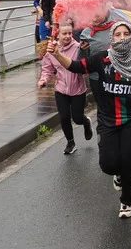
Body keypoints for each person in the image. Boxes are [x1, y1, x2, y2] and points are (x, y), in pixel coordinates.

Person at [48, 21, 131, 219]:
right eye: (117, 34)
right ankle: (118, 174)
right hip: (108, 119)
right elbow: (76, 67)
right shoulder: (101, 58)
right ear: (112, 38)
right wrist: (57, 54)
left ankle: (126, 201)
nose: (122, 37)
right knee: (108, 165)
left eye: (125, 34)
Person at [38, 17, 93, 154]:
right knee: (64, 117)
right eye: (64, 33)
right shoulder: (52, 50)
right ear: (58, 34)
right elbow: (47, 69)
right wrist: (43, 80)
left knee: (77, 118)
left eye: (70, 33)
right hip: (61, 89)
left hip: (77, 89)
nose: (68, 36)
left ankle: (86, 122)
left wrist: (85, 51)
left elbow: (84, 64)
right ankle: (70, 143)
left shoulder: (78, 47)